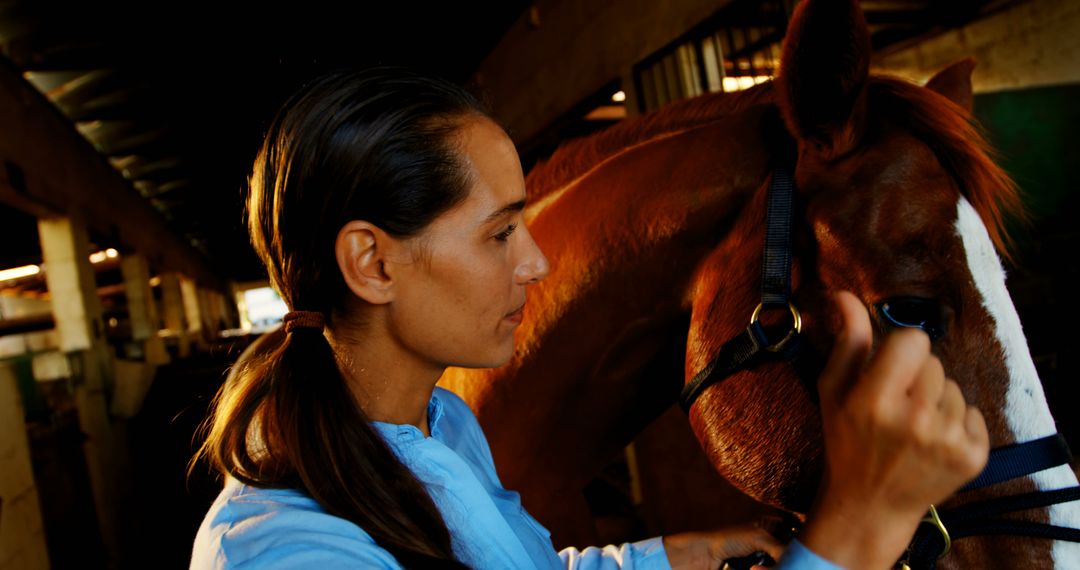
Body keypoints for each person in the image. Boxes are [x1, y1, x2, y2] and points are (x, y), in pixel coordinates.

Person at [189, 67, 989, 569]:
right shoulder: (283, 550)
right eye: (501, 233)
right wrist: (850, 535)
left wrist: (668, 557)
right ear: (373, 262)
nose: (534, 262)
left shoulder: (442, 425)